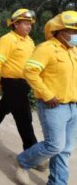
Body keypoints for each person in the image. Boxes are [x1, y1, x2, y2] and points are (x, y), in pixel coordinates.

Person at [15, 11, 77, 185]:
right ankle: (23, 161)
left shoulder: (73, 51)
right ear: (59, 30)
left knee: (65, 150)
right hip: (53, 105)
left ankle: (57, 182)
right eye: (72, 31)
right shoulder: (47, 48)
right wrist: (47, 94)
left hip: (73, 106)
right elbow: (30, 71)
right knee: (55, 145)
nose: (75, 35)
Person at [0, 9, 40, 151]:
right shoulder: (7, 40)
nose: (29, 26)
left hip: (25, 84)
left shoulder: (30, 41)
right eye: (25, 23)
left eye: (30, 23)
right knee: (24, 118)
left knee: (2, 110)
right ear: (15, 24)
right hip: (12, 83)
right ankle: (32, 153)